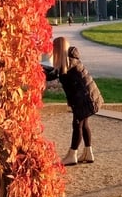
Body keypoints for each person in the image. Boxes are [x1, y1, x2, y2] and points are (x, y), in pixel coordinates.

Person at [44, 36, 103, 165]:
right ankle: (88, 153)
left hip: (84, 99)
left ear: (58, 49)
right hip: (90, 97)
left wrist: (39, 70)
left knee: (77, 125)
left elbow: (52, 74)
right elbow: (52, 73)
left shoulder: (69, 63)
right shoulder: (70, 61)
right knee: (84, 124)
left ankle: (72, 155)